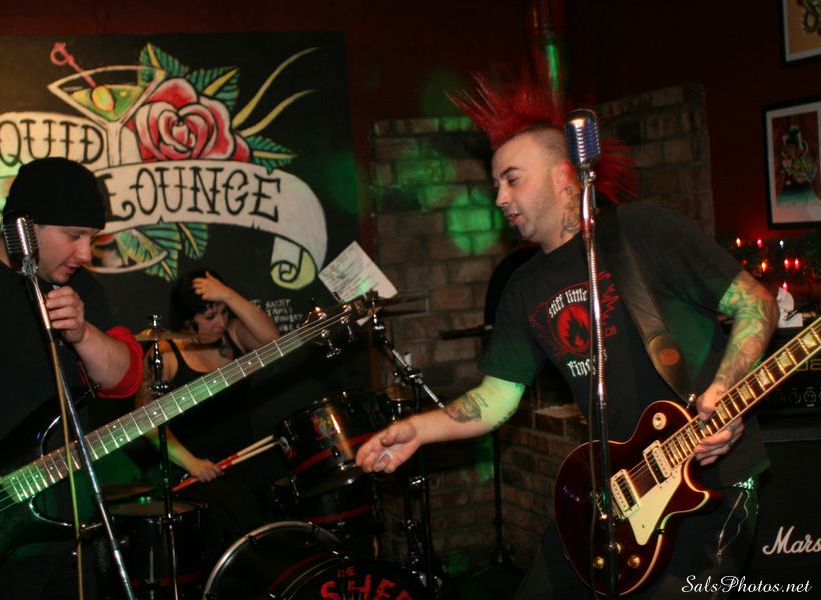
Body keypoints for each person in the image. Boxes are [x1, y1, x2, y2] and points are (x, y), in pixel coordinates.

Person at [356, 80, 778, 599]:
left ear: (562, 176)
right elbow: (495, 399)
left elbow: (753, 303)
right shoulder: (524, 286)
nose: (500, 198)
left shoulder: (643, 231)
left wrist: (725, 391)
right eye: (496, 184)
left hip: (709, 486)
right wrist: (417, 431)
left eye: (512, 179)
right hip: (612, 492)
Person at [0, 157, 144, 598]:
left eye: (93, 238)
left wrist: (83, 333)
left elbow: (124, 379)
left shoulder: (82, 289)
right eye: (74, 236)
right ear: (23, 227)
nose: (85, 254)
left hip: (60, 531)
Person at [134, 267, 279, 570]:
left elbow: (271, 338)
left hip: (246, 462)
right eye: (210, 316)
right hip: (198, 473)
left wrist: (227, 294)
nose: (221, 323)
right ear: (188, 320)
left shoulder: (234, 335)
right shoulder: (167, 353)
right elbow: (146, 422)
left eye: (225, 312)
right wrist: (192, 463)